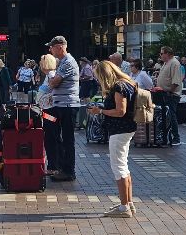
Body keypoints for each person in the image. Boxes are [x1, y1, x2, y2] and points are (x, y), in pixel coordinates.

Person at [89, 61, 138, 217]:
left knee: (118, 168)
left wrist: (101, 110)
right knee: (124, 166)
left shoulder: (119, 87)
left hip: (119, 130)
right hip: (127, 129)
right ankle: (128, 203)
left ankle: (124, 208)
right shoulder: (128, 83)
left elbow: (120, 111)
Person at [45, 36, 80, 182]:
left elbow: (53, 83)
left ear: (59, 47)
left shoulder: (68, 62)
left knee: (67, 139)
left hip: (67, 106)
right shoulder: (62, 62)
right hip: (60, 105)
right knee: (55, 135)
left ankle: (68, 171)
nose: (50, 50)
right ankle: (60, 167)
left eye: (51, 47)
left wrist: (51, 79)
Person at [154, 47, 184, 146]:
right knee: (165, 116)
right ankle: (165, 137)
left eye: (162, 53)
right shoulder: (166, 63)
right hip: (164, 93)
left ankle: (176, 138)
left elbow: (176, 81)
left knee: (171, 115)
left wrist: (169, 91)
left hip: (171, 94)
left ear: (168, 54)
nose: (160, 55)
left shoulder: (174, 63)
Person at [76, 57, 97, 130]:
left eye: (80, 61)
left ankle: (87, 106)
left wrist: (82, 78)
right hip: (85, 84)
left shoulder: (87, 67)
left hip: (87, 84)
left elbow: (89, 76)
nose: (80, 63)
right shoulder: (85, 66)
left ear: (83, 61)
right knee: (84, 97)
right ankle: (85, 104)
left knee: (86, 98)